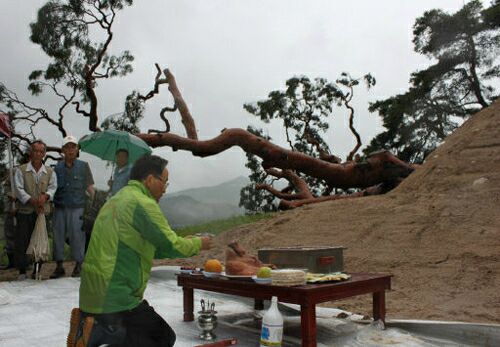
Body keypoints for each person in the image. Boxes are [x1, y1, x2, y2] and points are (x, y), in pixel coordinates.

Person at [67, 154, 212, 347]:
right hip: (115, 298)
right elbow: (171, 245)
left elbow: (150, 247)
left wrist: (180, 242)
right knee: (162, 337)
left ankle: (98, 330)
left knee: (142, 338)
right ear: (150, 179)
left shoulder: (116, 199)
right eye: (165, 182)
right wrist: (199, 243)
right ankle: (99, 333)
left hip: (92, 294)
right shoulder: (142, 203)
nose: (165, 190)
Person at [51, 135, 94, 279]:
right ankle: (59, 266)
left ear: (77, 149)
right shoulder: (56, 168)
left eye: (73, 147)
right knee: (58, 236)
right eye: (67, 147)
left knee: (77, 237)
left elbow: (89, 187)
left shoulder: (84, 166)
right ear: (63, 150)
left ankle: (78, 265)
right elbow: (52, 187)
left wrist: (96, 202)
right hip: (59, 207)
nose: (70, 150)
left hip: (78, 207)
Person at [13, 140, 57, 280]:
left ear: (44, 153)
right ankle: (22, 270)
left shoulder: (50, 171)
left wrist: (45, 197)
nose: (38, 153)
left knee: (41, 239)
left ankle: (37, 268)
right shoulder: (21, 170)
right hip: (25, 211)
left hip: (42, 212)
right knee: (23, 239)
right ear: (30, 152)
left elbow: (53, 187)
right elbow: (18, 189)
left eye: (41, 151)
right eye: (35, 151)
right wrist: (32, 200)